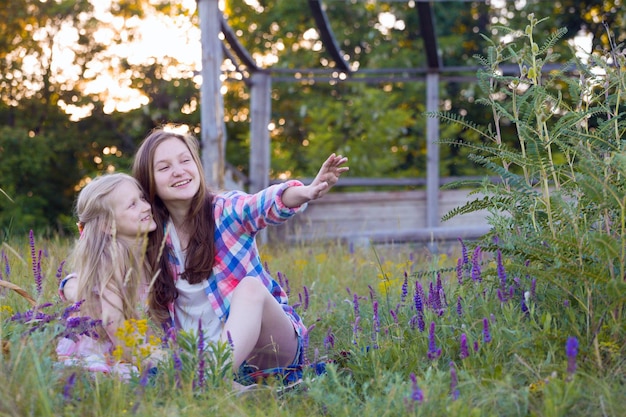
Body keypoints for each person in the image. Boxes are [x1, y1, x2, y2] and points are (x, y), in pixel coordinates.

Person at [132, 127, 348, 385]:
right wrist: (70, 283)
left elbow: (264, 203)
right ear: (149, 181)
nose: (178, 170)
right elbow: (107, 269)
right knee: (144, 359)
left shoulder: (224, 211)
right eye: (164, 167)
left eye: (185, 160)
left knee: (250, 289)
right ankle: (226, 384)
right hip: (199, 353)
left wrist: (306, 191)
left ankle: (209, 381)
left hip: (270, 349)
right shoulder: (150, 236)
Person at [56, 173, 161, 377]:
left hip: (128, 345)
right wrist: (145, 358)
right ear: (107, 225)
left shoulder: (145, 254)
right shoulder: (112, 259)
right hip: (102, 350)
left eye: (142, 198)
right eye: (132, 205)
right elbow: (113, 322)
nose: (146, 206)